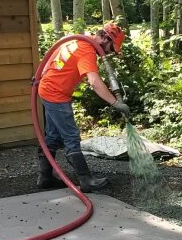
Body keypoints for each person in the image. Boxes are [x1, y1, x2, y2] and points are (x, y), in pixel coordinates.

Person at [37, 22, 130, 192]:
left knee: (53, 136)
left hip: (47, 89)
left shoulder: (77, 41)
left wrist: (41, 75)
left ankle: (45, 177)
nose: (110, 52)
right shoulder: (86, 50)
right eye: (111, 48)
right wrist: (116, 103)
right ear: (104, 38)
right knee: (71, 136)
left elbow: (52, 55)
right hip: (55, 94)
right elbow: (94, 83)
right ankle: (85, 180)